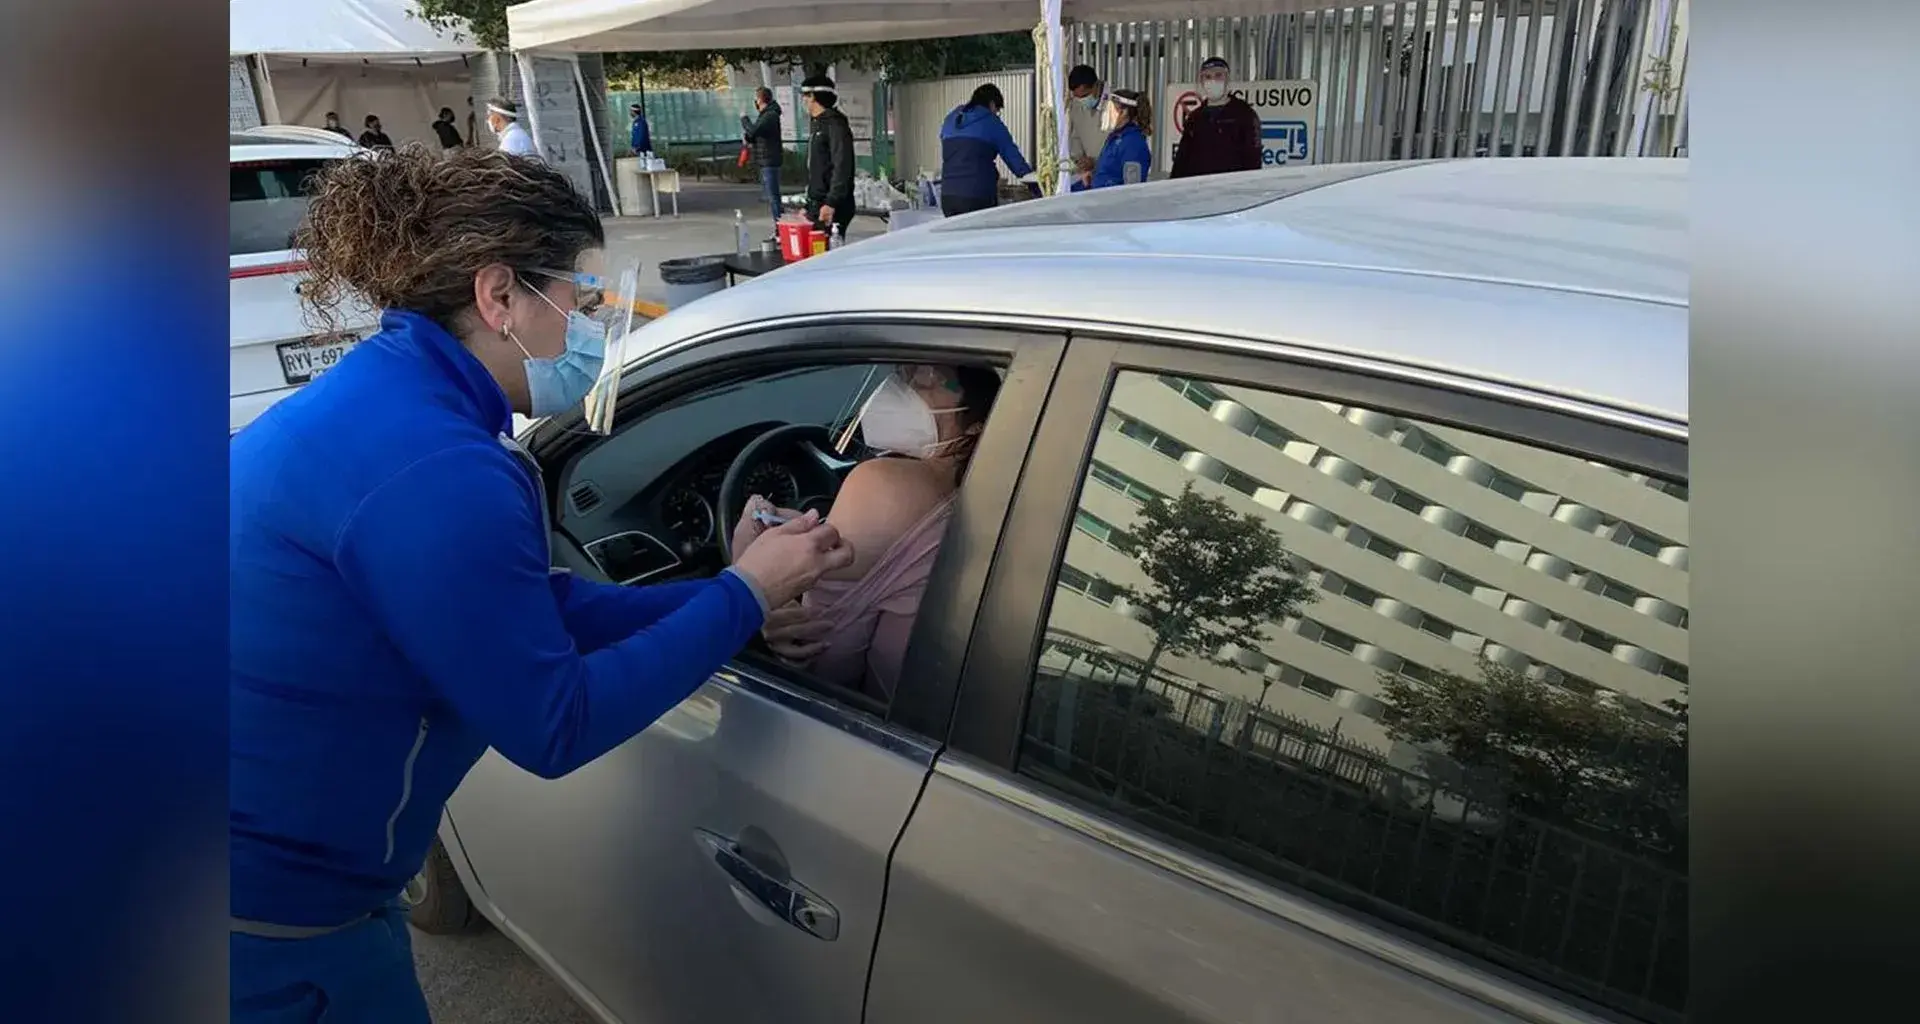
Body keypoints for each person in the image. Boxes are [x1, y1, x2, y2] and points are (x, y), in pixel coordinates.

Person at [229, 146, 854, 1022]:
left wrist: (735, 589)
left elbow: (537, 607)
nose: (587, 320)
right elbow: (551, 724)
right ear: (497, 297)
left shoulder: (387, 404)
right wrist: (743, 595)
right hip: (275, 930)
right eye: (575, 294)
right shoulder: (440, 469)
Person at [743, 364, 1001, 700]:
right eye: (903, 372)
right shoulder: (987, 496)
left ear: (977, 423)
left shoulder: (884, 483)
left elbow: (816, 663)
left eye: (927, 379)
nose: (902, 388)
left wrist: (749, 542)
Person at [937, 83, 1039, 218]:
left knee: (957, 238)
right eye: (997, 110)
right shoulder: (991, 122)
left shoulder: (951, 118)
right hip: (976, 197)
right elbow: (1016, 163)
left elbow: (957, 155)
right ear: (991, 104)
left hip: (948, 198)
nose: (997, 114)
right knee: (981, 238)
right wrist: (1038, 189)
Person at [1169, 56, 1262, 179]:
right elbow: (1181, 161)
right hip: (1198, 190)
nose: (1213, 81)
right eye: (1207, 77)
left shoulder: (1244, 115)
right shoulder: (1194, 118)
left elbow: (1253, 160)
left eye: (1218, 75)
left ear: (1227, 79)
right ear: (1201, 82)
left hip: (1231, 190)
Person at [800, 75, 856, 240]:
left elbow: (842, 164)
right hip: (817, 202)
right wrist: (808, 203)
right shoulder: (818, 123)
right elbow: (818, 167)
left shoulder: (835, 125)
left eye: (805, 96)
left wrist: (831, 202)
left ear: (813, 97)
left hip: (831, 205)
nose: (803, 101)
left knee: (826, 252)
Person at [740, 87, 784, 234]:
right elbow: (756, 134)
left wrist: (744, 119)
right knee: (772, 196)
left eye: (756, 99)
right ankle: (779, 226)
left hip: (769, 160)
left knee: (773, 197)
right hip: (766, 160)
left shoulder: (770, 115)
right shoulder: (765, 115)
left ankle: (780, 228)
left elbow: (754, 130)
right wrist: (748, 137)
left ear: (760, 100)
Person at [1090, 89, 1154, 190]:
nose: (1105, 114)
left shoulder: (1133, 144)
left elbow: (1131, 190)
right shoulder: (1115, 138)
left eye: (1109, 110)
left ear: (1123, 112)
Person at [1065, 65, 1108, 192]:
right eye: (1077, 97)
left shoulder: (1116, 106)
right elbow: (1075, 138)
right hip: (1087, 178)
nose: (1082, 100)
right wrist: (1079, 161)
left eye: (1085, 96)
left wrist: (1096, 162)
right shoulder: (1076, 106)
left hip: (1110, 178)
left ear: (1095, 86)